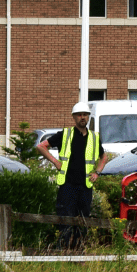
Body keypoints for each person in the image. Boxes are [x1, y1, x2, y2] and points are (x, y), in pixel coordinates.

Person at [37, 102, 104, 247]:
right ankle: (63, 252)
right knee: (65, 220)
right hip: (67, 185)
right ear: (74, 117)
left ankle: (79, 253)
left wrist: (97, 172)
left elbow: (103, 157)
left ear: (88, 117)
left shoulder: (94, 137)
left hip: (85, 187)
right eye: (79, 115)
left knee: (83, 221)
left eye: (85, 114)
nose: (82, 117)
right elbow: (41, 146)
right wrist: (55, 161)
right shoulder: (65, 135)